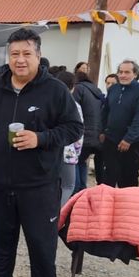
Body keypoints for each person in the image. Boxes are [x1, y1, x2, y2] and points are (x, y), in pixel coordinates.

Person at [0, 27, 82, 277]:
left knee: (41, 246)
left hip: (39, 185)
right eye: (14, 54)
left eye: (26, 53)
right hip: (0, 183)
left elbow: (74, 128)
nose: (20, 60)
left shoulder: (55, 90)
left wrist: (41, 138)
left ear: (38, 55)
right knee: (0, 241)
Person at [99, 59, 139, 188]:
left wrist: (128, 139)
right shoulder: (113, 89)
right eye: (120, 72)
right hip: (111, 140)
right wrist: (102, 130)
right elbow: (105, 111)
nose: (123, 75)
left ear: (135, 74)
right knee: (109, 177)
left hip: (133, 143)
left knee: (128, 179)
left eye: (127, 72)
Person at [54, 70, 83, 206]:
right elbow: (78, 133)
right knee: (67, 185)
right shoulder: (74, 105)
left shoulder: (49, 101)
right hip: (68, 151)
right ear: (73, 87)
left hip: (49, 147)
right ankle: (58, 213)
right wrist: (77, 152)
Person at [72, 71, 103, 192]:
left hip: (84, 133)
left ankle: (76, 191)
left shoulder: (78, 89)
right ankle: (82, 188)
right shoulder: (96, 90)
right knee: (82, 162)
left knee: (76, 161)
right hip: (97, 133)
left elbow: (73, 109)